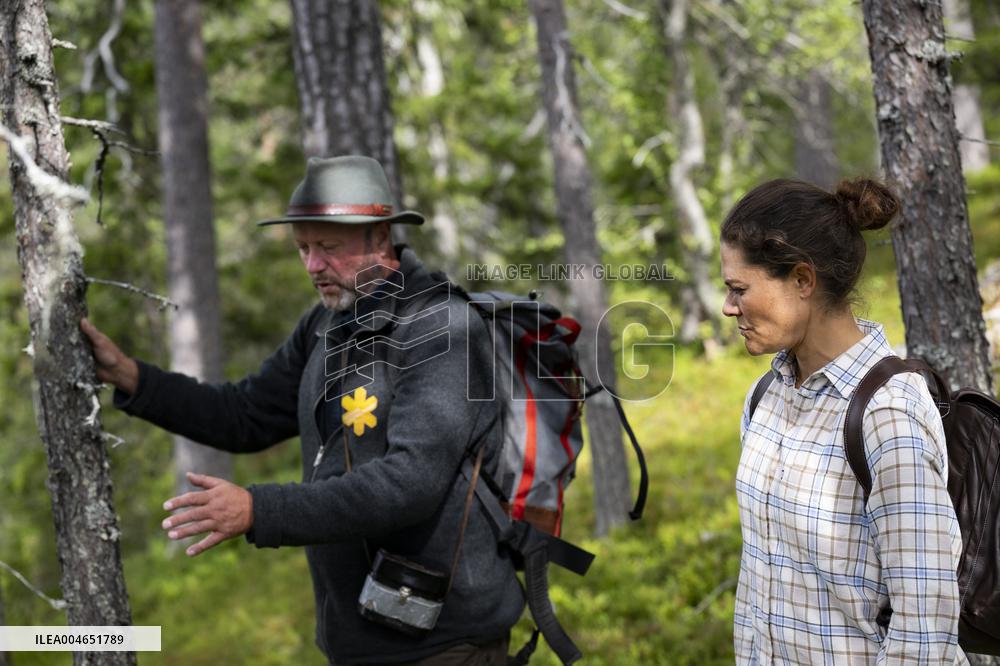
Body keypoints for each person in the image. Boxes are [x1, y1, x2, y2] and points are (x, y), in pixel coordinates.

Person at [81, 155, 524, 665]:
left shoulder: (443, 328)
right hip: (363, 640)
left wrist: (258, 510)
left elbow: (410, 484)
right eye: (303, 248)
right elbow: (243, 413)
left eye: (328, 247)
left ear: (380, 237)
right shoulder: (323, 326)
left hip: (448, 644)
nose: (313, 265)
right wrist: (133, 378)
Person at [720, 177, 968, 664]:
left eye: (739, 289)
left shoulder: (888, 413)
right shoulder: (765, 396)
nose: (728, 307)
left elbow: (925, 629)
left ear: (802, 280)